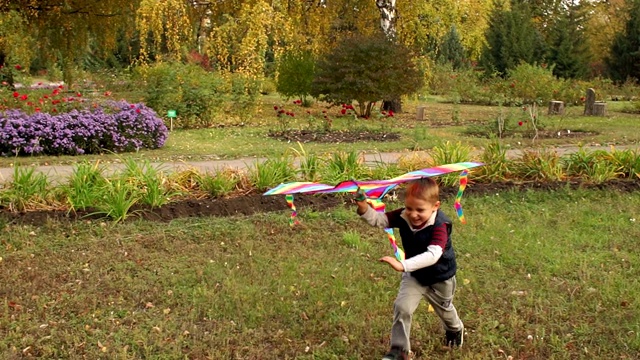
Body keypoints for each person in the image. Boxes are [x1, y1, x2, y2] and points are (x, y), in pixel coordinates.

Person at [355, 177, 464, 360]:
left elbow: (433, 255)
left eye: (420, 210)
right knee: (402, 307)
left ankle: (455, 329)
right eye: (409, 208)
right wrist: (364, 208)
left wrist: (402, 264)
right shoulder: (403, 216)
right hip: (415, 276)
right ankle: (400, 351)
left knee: (445, 310)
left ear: (435, 206)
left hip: (440, 277)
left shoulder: (440, 225)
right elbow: (379, 220)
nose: (413, 214)